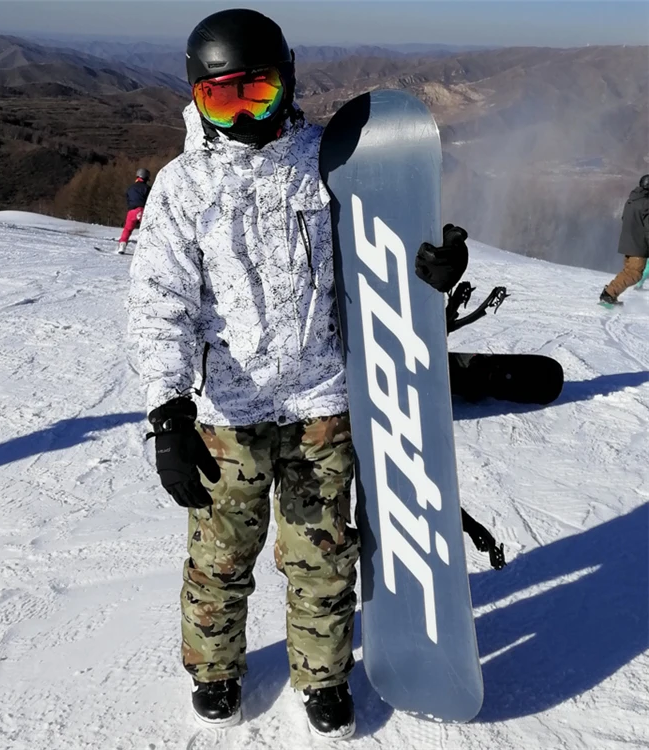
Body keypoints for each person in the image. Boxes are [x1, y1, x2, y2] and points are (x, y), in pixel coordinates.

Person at [126, 8, 468, 739]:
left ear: (287, 83)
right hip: (227, 414)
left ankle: (322, 676)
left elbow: (383, 251)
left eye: (258, 93)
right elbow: (160, 302)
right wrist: (167, 411)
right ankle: (215, 671)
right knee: (220, 557)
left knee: (322, 556)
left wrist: (430, 272)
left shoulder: (333, 163)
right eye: (222, 99)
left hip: (323, 404)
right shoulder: (183, 187)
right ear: (197, 98)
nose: (244, 116)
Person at [600, 174, 649, 305]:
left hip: (628, 243)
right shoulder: (646, 204)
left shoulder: (632, 201)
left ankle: (610, 294)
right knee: (634, 274)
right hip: (638, 245)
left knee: (629, 271)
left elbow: (625, 219)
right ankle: (609, 294)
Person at [117, 168, 151, 254]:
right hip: (143, 210)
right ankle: (147, 248)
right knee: (147, 229)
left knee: (127, 229)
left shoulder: (130, 188)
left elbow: (128, 199)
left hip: (131, 211)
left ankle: (122, 246)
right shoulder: (147, 188)